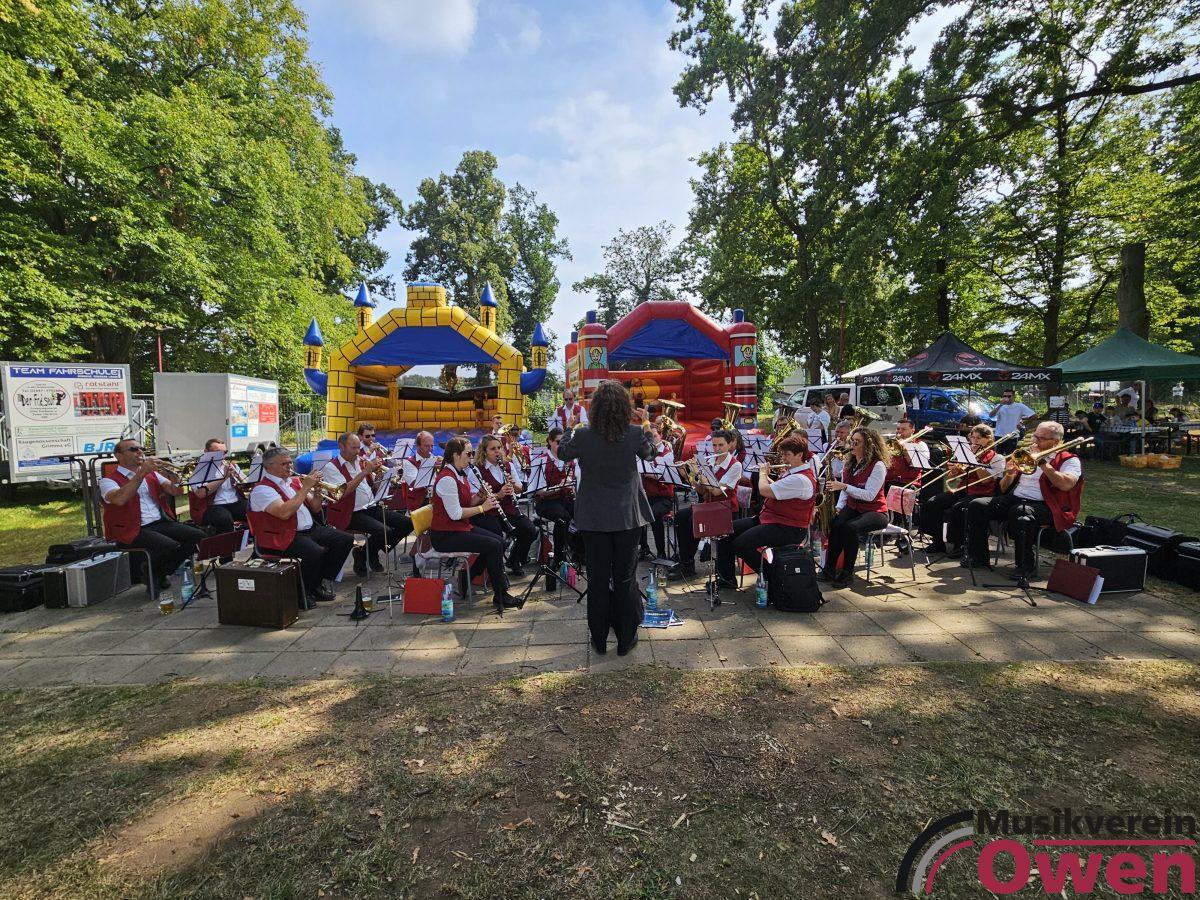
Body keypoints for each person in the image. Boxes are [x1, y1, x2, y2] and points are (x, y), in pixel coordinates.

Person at [559, 379, 655, 656]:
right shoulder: (634, 433)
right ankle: (626, 639)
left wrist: (569, 427)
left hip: (593, 517)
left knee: (598, 580)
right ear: (624, 407)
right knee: (625, 578)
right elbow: (651, 453)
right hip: (627, 516)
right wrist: (647, 424)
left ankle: (599, 639)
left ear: (596, 408)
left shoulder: (583, 435)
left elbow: (563, 453)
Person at [964, 421, 1082, 578]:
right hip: (1017, 498)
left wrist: (1042, 463)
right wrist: (1009, 474)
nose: (1035, 441)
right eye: (1035, 436)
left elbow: (1066, 484)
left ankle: (1026, 566)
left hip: (1049, 506)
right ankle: (978, 556)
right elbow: (1003, 488)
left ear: (1056, 441)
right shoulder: (1025, 455)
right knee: (977, 505)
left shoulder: (1069, 460)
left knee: (1020, 513)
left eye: (1041, 438)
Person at [247, 446, 354, 602]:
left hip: (308, 530)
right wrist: (306, 487)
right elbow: (283, 513)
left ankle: (317, 582)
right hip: (282, 535)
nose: (289, 466)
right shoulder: (262, 490)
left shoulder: (293, 482)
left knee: (344, 539)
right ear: (270, 467)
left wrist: (317, 491)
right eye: (284, 464)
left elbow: (315, 507)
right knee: (315, 552)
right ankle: (301, 592)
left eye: (290, 462)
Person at [429, 437, 520, 613]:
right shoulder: (447, 479)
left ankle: (467, 577)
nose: (471, 457)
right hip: (445, 535)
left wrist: (480, 494)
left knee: (500, 542)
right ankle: (501, 594)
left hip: (458, 528)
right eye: (468, 454)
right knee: (493, 545)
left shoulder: (459, 474)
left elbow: (467, 503)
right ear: (456, 455)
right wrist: (483, 507)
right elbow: (455, 514)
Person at [100, 439, 204, 589]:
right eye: (133, 449)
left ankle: (154, 573)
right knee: (169, 546)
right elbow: (120, 499)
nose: (139, 452)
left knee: (199, 537)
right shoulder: (107, 481)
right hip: (132, 529)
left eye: (141, 449)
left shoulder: (152, 474)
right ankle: (156, 574)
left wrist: (175, 476)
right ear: (119, 456)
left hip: (160, 522)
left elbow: (176, 491)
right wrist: (142, 473)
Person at [719, 434, 817, 587]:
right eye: (783, 454)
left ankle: (773, 576)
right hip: (772, 519)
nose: (783, 458)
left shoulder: (801, 479)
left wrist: (763, 473)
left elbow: (764, 490)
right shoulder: (793, 472)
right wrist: (770, 478)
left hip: (789, 527)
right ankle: (726, 579)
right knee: (725, 531)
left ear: (800, 455)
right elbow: (778, 488)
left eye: (787, 455)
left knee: (741, 544)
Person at [323, 432, 413, 576]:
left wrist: (380, 477)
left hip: (371, 506)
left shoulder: (360, 461)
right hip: (350, 512)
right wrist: (365, 472)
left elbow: (372, 487)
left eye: (358, 448)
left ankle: (364, 552)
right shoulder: (331, 467)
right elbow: (343, 492)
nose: (357, 452)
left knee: (407, 523)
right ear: (341, 446)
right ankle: (369, 555)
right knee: (383, 530)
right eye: (353, 448)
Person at [666, 429, 743, 582]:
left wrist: (699, 473)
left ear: (729, 445)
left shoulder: (735, 466)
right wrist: (688, 475)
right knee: (680, 517)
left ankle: (688, 564)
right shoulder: (710, 462)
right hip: (710, 505)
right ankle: (686, 562)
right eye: (714, 445)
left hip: (725, 509)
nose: (717, 449)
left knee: (691, 521)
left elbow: (716, 491)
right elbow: (702, 490)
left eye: (721, 445)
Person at [819, 427, 890, 589]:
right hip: (854, 506)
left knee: (850, 528)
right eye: (852, 441)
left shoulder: (878, 465)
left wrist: (844, 486)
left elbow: (869, 495)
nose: (852, 445)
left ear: (868, 445)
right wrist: (839, 507)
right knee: (836, 524)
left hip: (876, 511)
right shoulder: (850, 463)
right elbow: (845, 492)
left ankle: (847, 573)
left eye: (857, 442)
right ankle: (830, 568)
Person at [920, 424, 1004, 555]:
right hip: (963, 489)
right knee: (933, 502)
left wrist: (975, 462)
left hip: (982, 493)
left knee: (958, 508)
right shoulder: (966, 454)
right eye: (972, 438)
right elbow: (951, 480)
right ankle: (937, 541)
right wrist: (954, 471)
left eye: (978, 438)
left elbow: (986, 480)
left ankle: (959, 545)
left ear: (988, 439)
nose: (974, 441)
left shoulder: (997, 458)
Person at [471, 435, 538, 575]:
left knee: (530, 530)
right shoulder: (477, 470)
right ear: (484, 452)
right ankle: (492, 573)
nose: (497, 451)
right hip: (488, 512)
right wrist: (499, 495)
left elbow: (520, 489)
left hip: (508, 509)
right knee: (497, 539)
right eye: (492, 449)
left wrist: (513, 484)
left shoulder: (508, 465)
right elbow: (474, 501)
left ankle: (514, 560)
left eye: (499, 448)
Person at [534, 428, 580, 568]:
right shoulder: (541, 460)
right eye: (558, 442)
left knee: (584, 514)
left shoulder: (570, 460)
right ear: (550, 441)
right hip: (546, 502)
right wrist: (559, 487)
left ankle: (579, 553)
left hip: (566, 499)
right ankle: (559, 558)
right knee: (563, 518)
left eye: (565, 442)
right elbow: (538, 491)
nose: (562, 446)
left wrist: (573, 486)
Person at [191, 438, 246, 533]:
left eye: (225, 452)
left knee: (256, 508)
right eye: (218, 452)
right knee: (224, 518)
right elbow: (200, 493)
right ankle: (230, 541)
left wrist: (239, 479)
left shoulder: (231, 466)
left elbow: (246, 483)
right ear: (206, 452)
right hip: (212, 506)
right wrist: (223, 478)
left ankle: (252, 538)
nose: (222, 456)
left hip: (235, 502)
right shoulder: (200, 470)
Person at [639, 421, 676, 560]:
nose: (652, 439)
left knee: (653, 515)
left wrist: (645, 470)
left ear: (660, 436)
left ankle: (661, 552)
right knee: (636, 513)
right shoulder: (642, 453)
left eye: (655, 436)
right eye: (650, 436)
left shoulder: (667, 454)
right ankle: (643, 547)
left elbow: (659, 475)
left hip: (664, 498)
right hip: (647, 496)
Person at [401, 431, 439, 512]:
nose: (430, 449)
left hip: (436, 498)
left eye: (432, 446)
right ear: (418, 446)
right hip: (419, 502)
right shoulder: (408, 462)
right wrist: (431, 468)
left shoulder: (435, 459)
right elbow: (415, 484)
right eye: (427, 446)